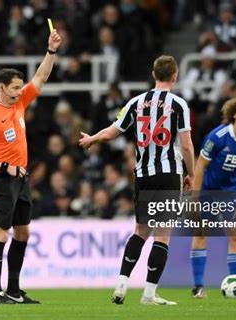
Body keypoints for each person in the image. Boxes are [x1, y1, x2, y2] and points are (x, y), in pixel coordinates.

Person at [79, 55, 195, 305]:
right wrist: (192, 174)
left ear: (154, 75)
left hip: (143, 174)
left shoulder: (135, 102)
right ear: (175, 76)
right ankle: (149, 294)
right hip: (168, 172)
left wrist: (91, 139)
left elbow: (111, 132)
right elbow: (186, 145)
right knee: (162, 235)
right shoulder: (178, 105)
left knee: (140, 231)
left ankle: (121, 285)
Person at [0, 29, 61, 305]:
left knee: (23, 232)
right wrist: (5, 166)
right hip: (2, 179)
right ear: (1, 87)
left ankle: (13, 289)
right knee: (1, 232)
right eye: (14, 88)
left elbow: (41, 77)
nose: (19, 91)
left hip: (21, 177)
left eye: (20, 87)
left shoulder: (19, 102)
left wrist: (51, 51)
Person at [190, 92, 236, 298]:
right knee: (201, 233)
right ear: (234, 115)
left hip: (232, 192)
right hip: (208, 189)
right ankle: (198, 287)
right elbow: (200, 165)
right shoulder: (218, 137)